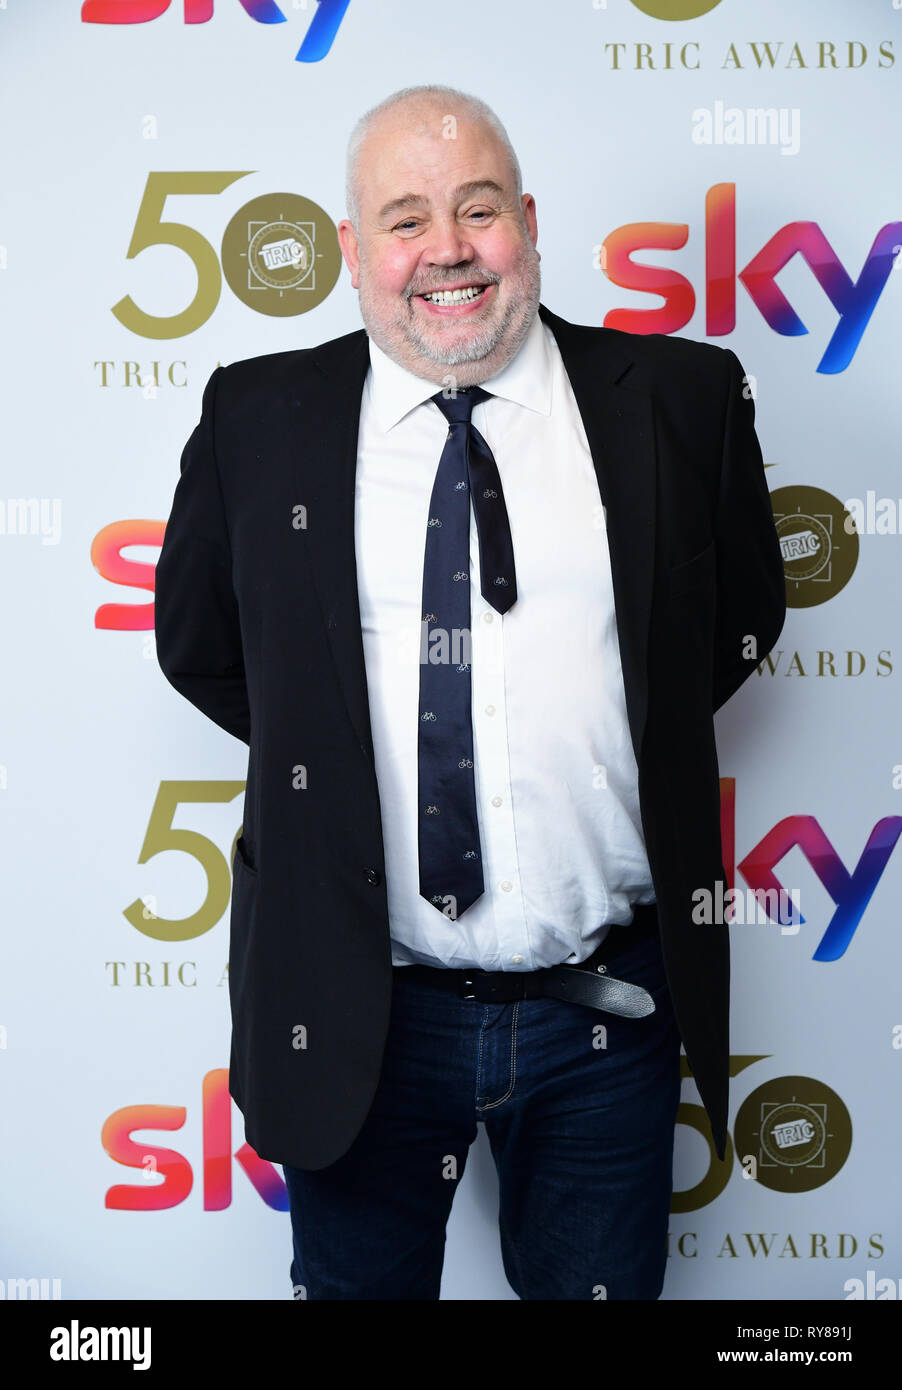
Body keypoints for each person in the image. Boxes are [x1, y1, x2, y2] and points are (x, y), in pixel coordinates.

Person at [154, 84, 786, 1300]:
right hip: (357, 1016)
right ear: (350, 251)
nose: (444, 248)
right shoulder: (259, 418)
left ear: (527, 222)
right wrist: (334, 753)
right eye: (402, 218)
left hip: (606, 1010)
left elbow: (735, 626)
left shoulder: (679, 401)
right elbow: (207, 648)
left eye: (475, 208)